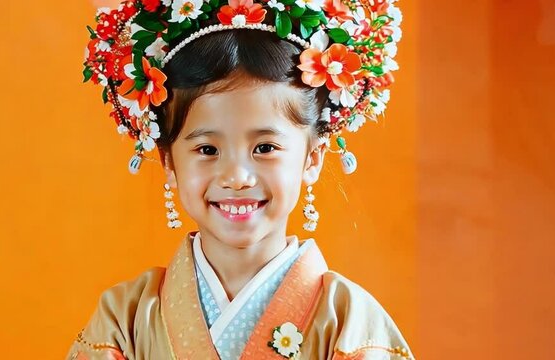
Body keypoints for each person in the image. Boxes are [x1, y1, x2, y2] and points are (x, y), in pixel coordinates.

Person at [69, 0, 412, 358]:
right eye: (207, 150)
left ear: (312, 158)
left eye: (265, 147)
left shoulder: (347, 322)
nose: (236, 177)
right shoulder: (125, 319)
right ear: (168, 161)